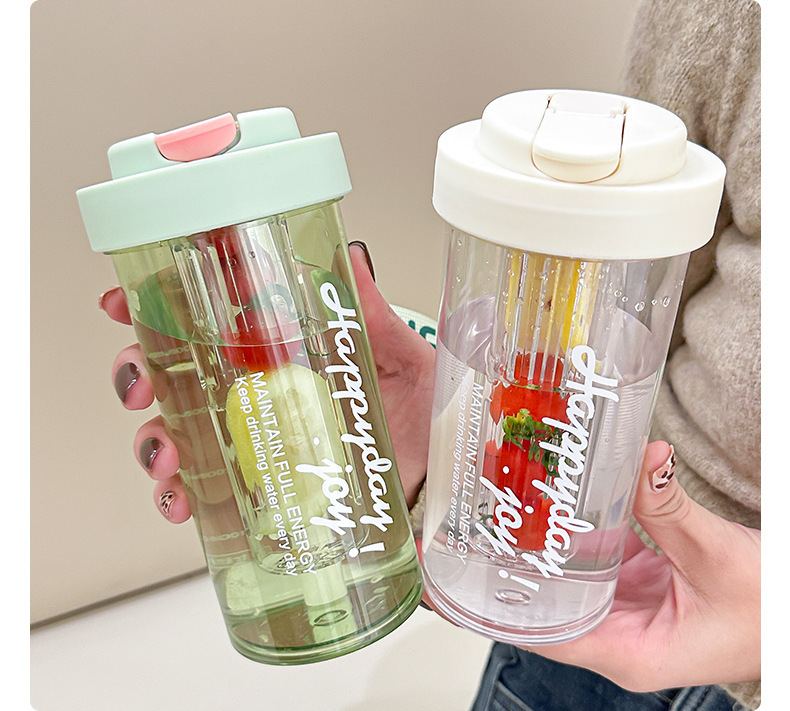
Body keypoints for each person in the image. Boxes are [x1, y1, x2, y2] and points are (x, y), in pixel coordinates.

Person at [100, 0, 761, 708]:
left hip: (601, 570)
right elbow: (621, 227)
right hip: (589, 561)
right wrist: (445, 440)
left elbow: (640, 274)